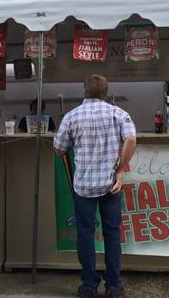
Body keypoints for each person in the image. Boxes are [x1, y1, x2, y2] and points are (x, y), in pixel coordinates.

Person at [53, 75, 136, 298]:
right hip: (111, 184)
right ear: (106, 93)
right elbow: (131, 140)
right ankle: (114, 285)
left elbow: (59, 148)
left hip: (83, 186)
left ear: (84, 91)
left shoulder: (72, 116)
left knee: (85, 234)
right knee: (111, 233)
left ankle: (89, 285)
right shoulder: (119, 114)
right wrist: (120, 170)